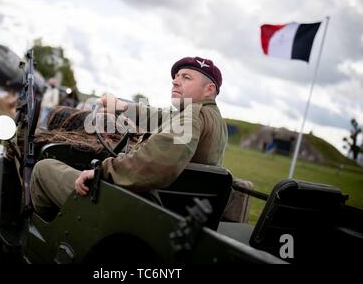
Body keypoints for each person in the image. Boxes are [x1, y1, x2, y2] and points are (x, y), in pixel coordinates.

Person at [30, 56, 228, 219]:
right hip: (171, 211)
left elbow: (159, 162)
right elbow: (159, 117)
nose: (176, 81)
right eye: (176, 77)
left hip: (138, 209)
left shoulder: (192, 115)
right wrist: (121, 107)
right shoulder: (211, 118)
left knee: (44, 168)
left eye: (186, 77)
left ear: (209, 89)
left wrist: (104, 170)